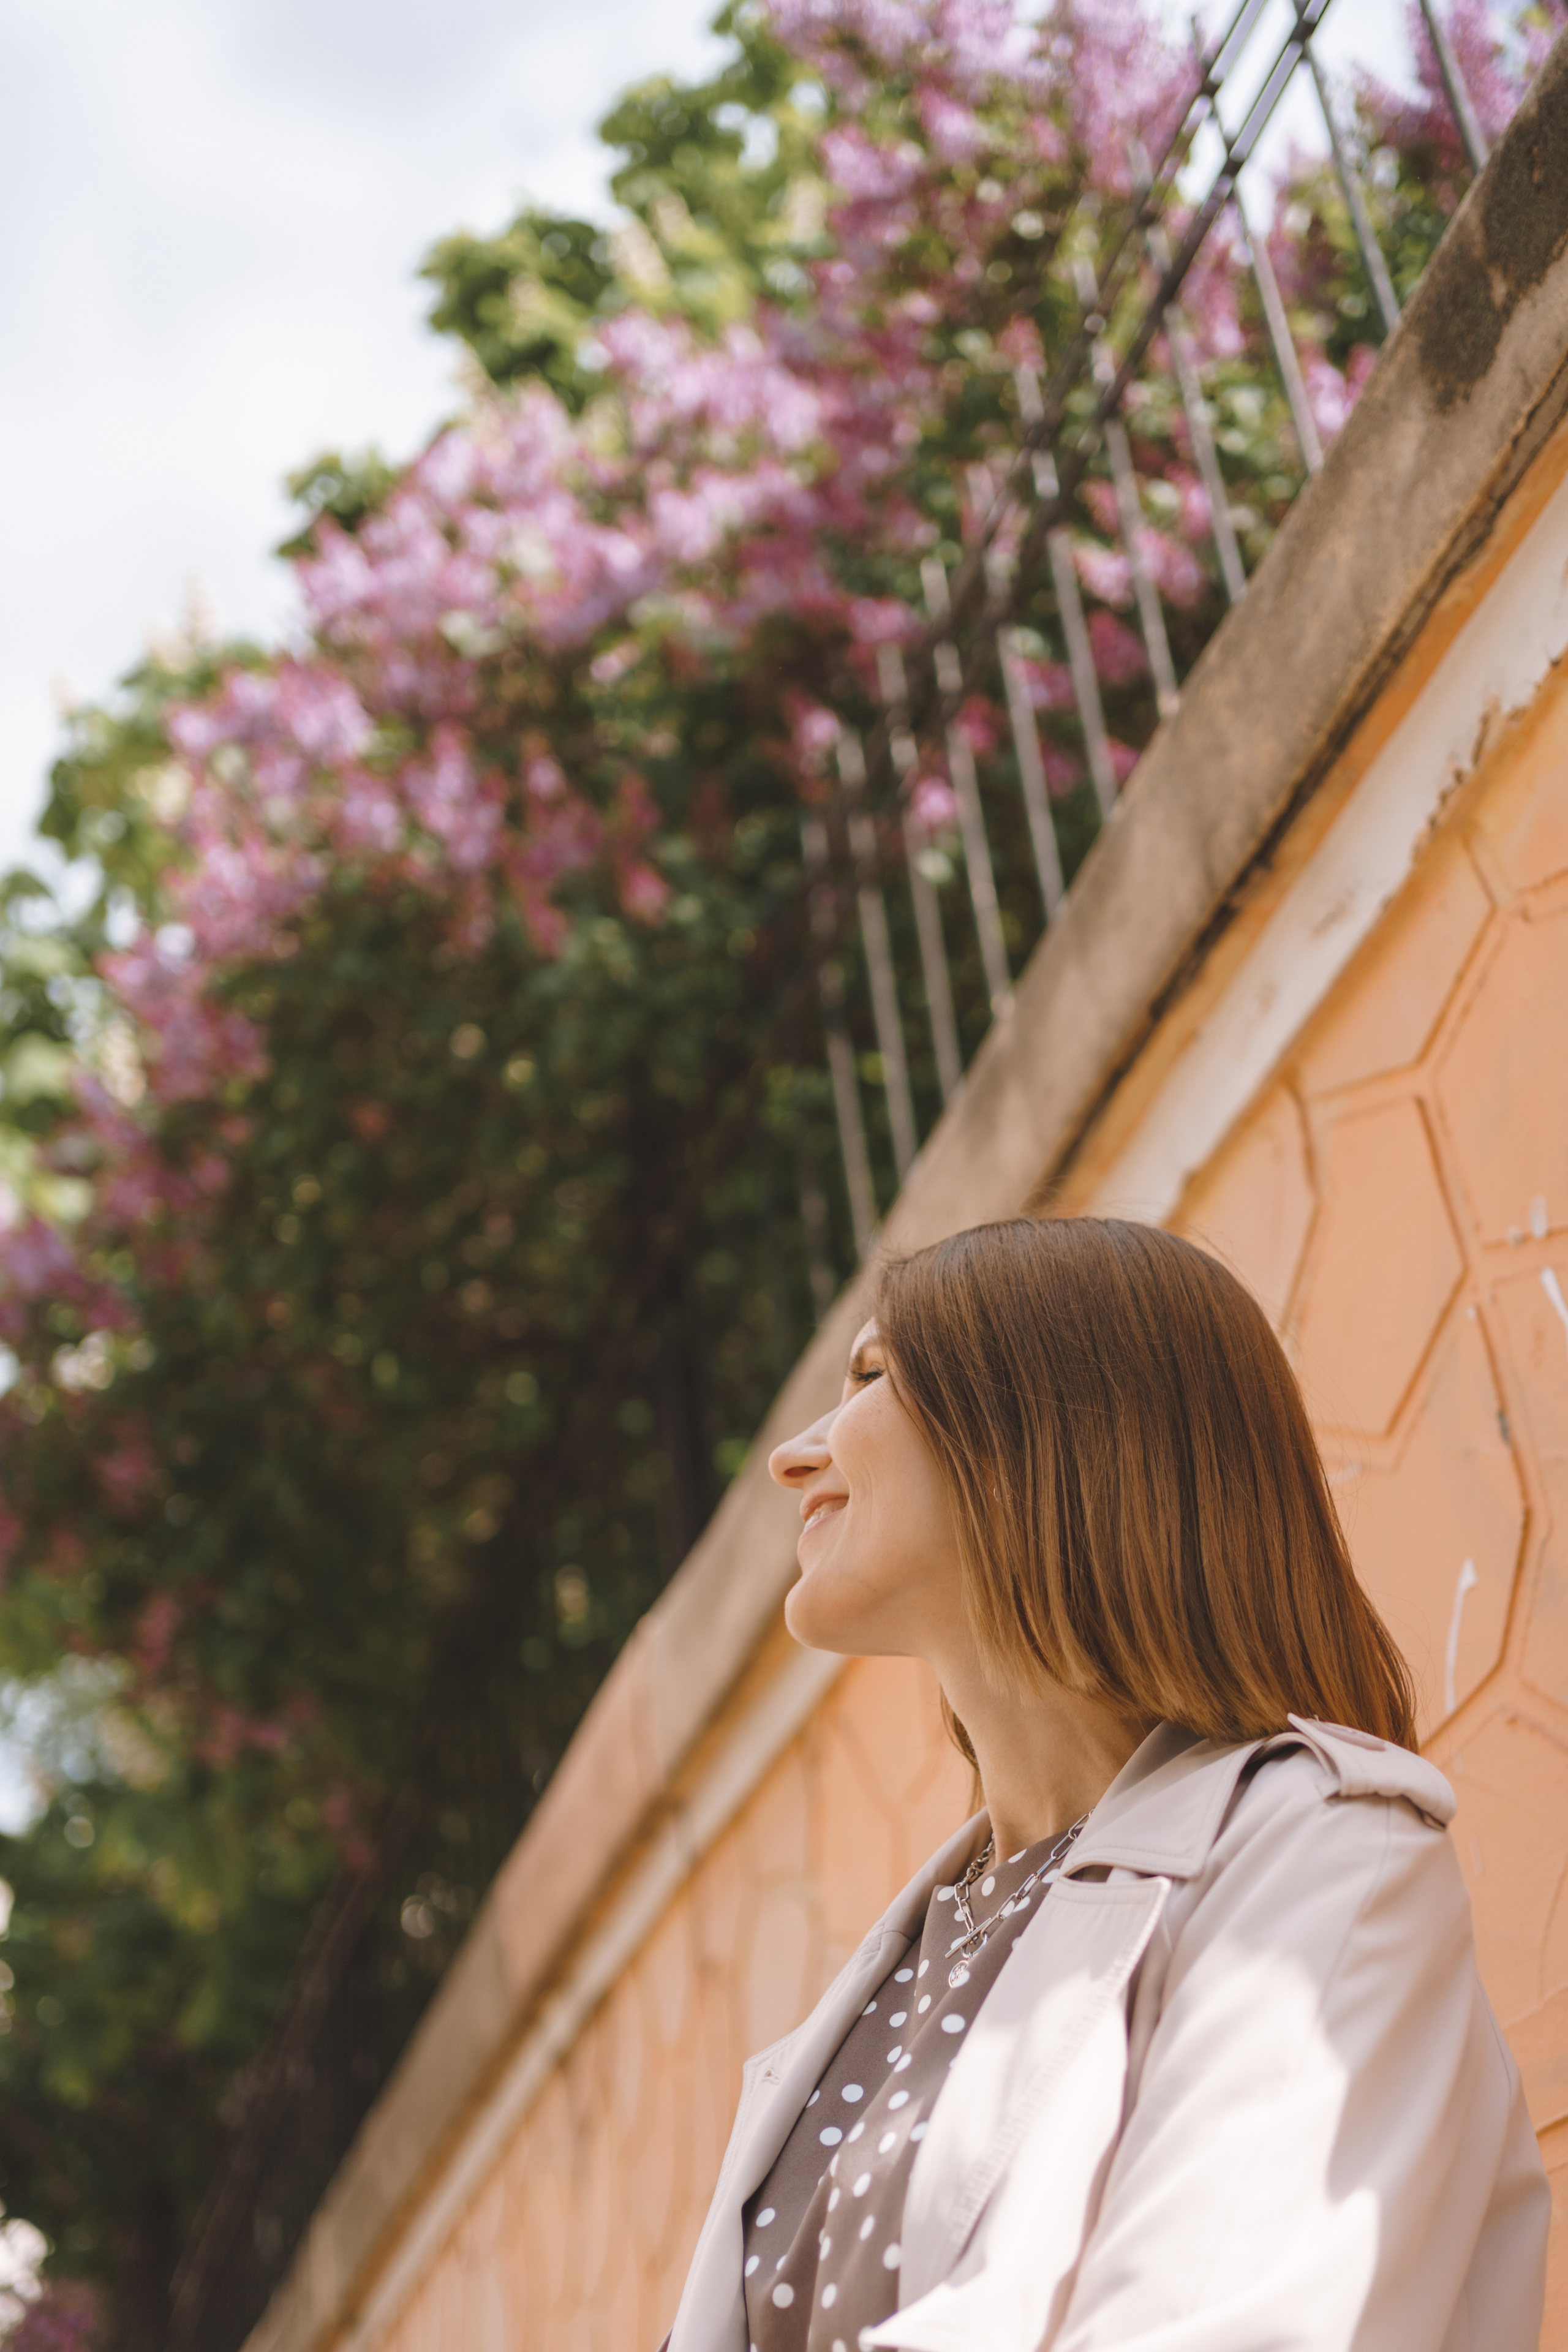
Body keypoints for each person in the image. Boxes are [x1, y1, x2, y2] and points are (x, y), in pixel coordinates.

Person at [662, 1217, 1549, 2352]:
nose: (795, 1453)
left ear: (1053, 1434)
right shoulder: (921, 1950)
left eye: (875, 1376)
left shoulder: (1325, 1851)